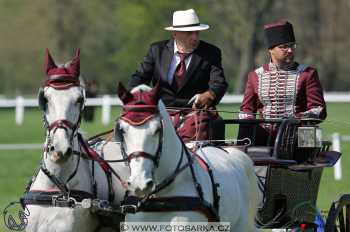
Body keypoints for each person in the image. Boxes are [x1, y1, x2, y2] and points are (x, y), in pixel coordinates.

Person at [129, 9, 228, 142]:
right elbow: (138, 78)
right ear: (175, 33)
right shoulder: (157, 50)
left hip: (195, 115)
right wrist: (137, 98)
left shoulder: (211, 53)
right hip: (161, 112)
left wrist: (210, 95)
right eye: (189, 33)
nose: (195, 37)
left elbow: (219, 83)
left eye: (197, 32)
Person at [239, 20, 327, 145]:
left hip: (299, 136)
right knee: (245, 131)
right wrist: (248, 118)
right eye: (284, 47)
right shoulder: (255, 76)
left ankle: (306, 160)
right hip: (265, 137)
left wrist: (297, 118)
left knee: (309, 132)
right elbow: (246, 109)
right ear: (271, 49)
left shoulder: (308, 73)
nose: (290, 50)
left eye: (292, 45)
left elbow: (319, 109)